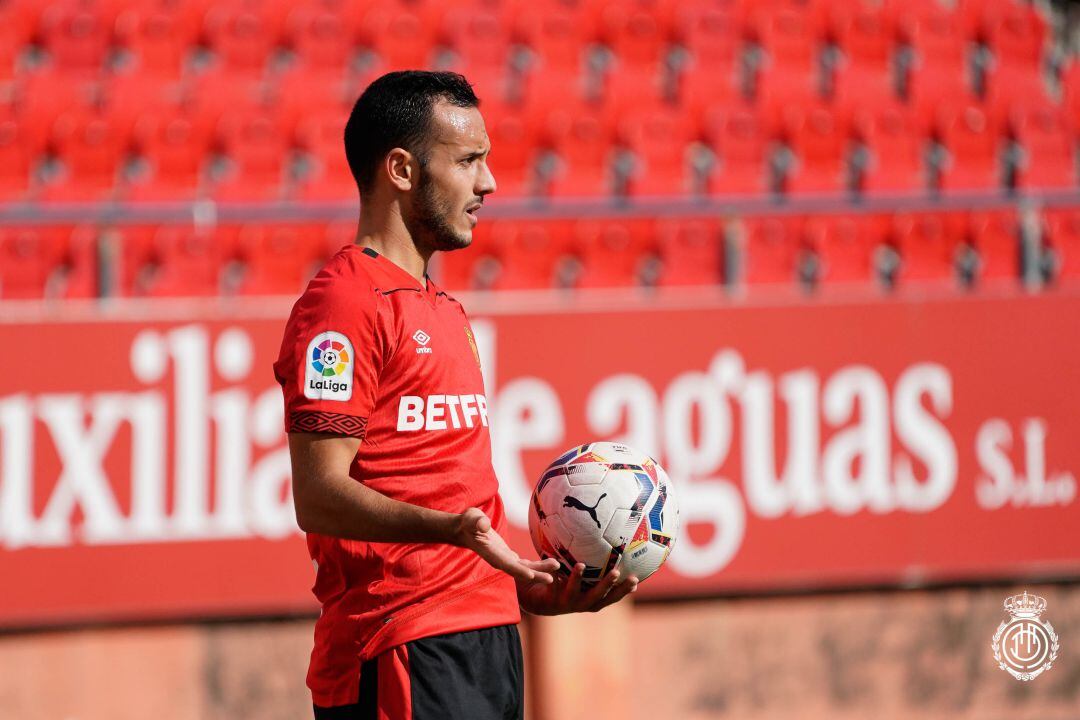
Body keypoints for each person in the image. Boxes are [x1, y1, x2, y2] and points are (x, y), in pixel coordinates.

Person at [273, 70, 639, 720]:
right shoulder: (344, 303)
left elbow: (448, 484)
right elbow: (318, 493)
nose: (489, 183)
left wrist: (519, 583)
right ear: (403, 170)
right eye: (469, 161)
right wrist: (455, 530)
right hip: (400, 645)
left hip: (489, 639)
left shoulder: (445, 309)